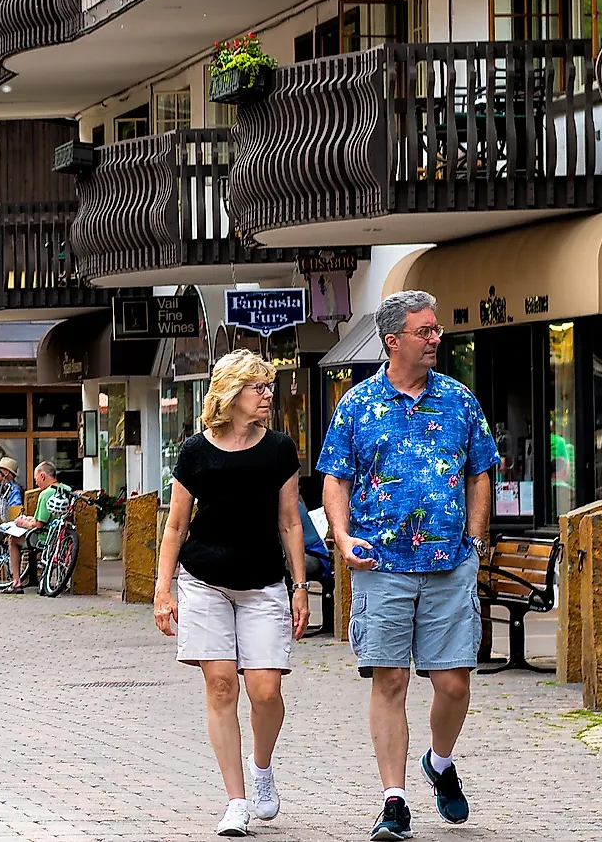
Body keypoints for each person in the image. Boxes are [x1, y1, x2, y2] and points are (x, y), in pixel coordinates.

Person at [317, 289, 500, 842]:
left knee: (453, 683)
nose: (435, 338)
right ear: (392, 341)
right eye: (425, 331)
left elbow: (481, 471)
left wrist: (475, 540)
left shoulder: (460, 400)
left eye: (437, 329)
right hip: (381, 563)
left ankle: (439, 763)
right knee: (389, 678)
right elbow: (335, 477)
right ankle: (393, 801)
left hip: (449, 564)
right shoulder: (356, 404)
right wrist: (344, 537)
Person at [153, 351, 312, 838]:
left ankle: (261, 768)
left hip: (263, 581)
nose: (268, 395)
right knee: (221, 685)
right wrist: (163, 588)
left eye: (270, 386)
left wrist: (300, 586)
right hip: (203, 581)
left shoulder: (280, 449)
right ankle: (236, 801)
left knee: (266, 691)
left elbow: (289, 521)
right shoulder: (196, 450)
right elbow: (176, 523)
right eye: (258, 387)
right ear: (230, 393)